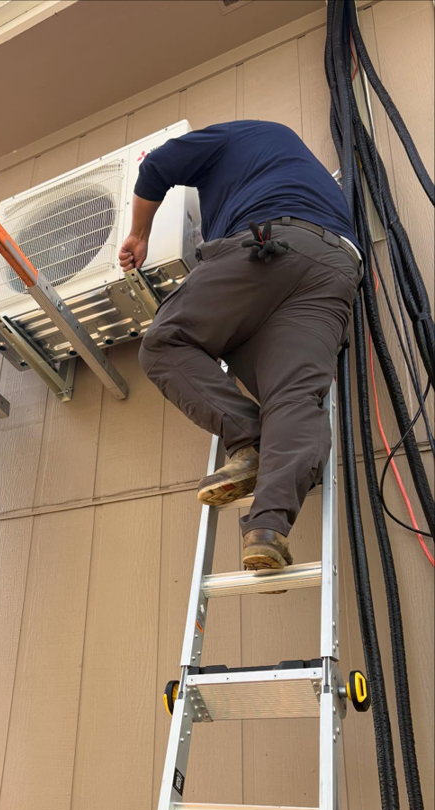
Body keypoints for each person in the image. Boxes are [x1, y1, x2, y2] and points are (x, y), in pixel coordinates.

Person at [120, 120, 362, 571]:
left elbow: (155, 167)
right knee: (292, 398)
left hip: (271, 247)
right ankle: (266, 530)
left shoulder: (235, 137)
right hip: (338, 270)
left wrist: (139, 234)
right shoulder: (287, 161)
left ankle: (249, 443)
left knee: (164, 343)